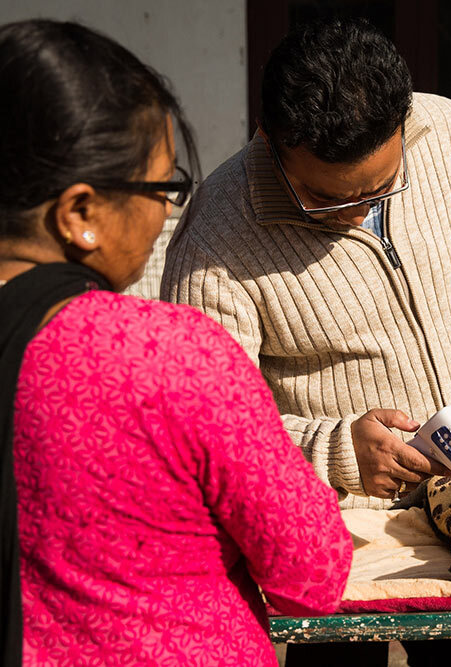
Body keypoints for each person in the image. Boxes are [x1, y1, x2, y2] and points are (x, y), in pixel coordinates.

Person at [0, 20, 352, 666]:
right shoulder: (169, 356)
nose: (167, 212)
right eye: (162, 188)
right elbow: (314, 571)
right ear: (79, 214)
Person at [160, 19, 451, 511]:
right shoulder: (213, 239)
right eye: (326, 199)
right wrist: (334, 452)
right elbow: (208, 419)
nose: (358, 210)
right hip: (347, 524)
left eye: (383, 186)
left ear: (405, 121)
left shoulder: (450, 133)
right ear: (269, 138)